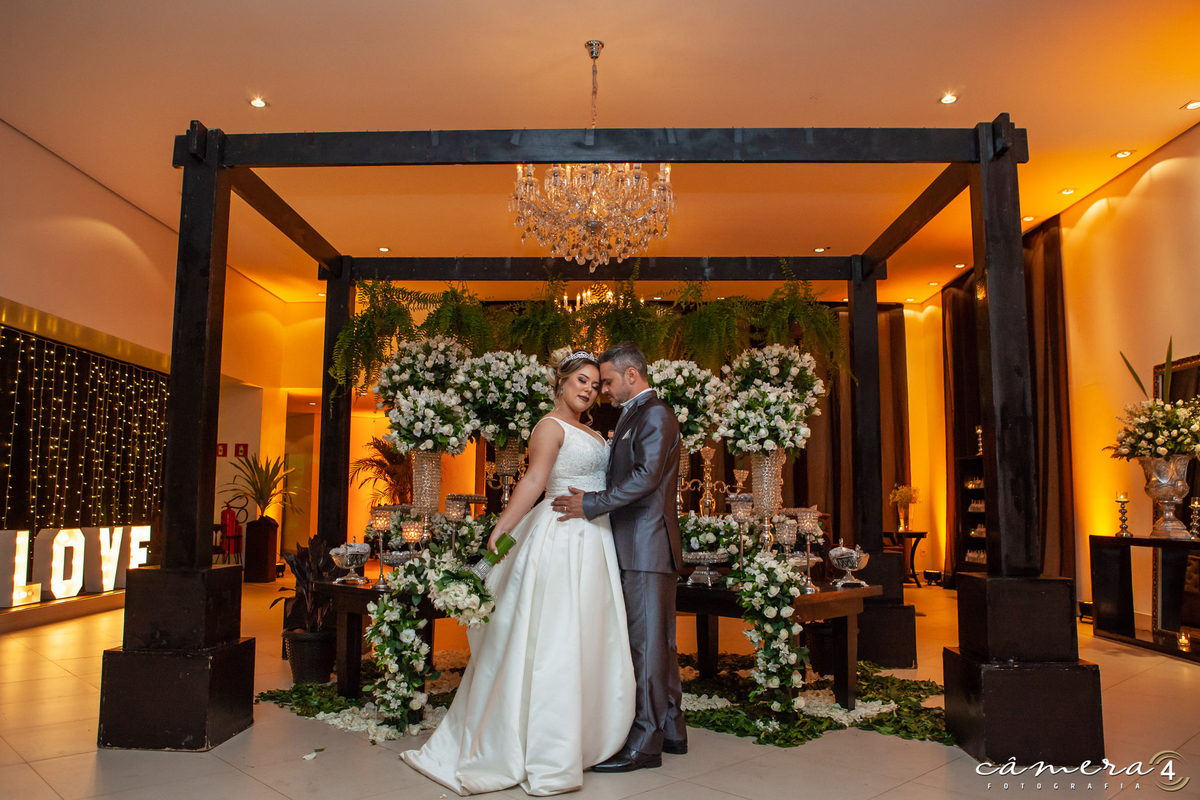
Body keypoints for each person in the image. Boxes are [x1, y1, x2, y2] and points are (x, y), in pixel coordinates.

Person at [401, 350, 635, 796]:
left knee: (589, 631)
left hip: (594, 536)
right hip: (563, 534)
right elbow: (533, 481)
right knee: (557, 634)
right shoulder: (549, 426)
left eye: (594, 384)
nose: (588, 390)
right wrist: (502, 527)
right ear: (561, 383)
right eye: (580, 381)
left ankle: (586, 734)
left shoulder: (591, 431)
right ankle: (544, 743)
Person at [551, 341, 686, 773]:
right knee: (658, 643)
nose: (603, 390)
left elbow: (646, 478)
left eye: (607, 381)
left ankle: (645, 744)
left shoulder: (655, 413)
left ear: (631, 375)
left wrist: (592, 503)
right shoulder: (635, 413)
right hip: (638, 544)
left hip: (646, 545)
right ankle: (672, 731)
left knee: (646, 646)